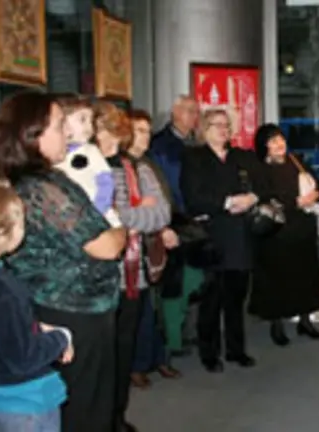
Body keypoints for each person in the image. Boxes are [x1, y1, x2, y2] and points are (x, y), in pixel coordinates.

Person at [0, 92, 126, 432]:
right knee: (86, 409)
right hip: (74, 312)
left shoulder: (30, 182)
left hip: (60, 309)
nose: (68, 133)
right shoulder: (44, 188)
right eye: (59, 125)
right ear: (34, 134)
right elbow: (106, 245)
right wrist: (121, 227)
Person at [94, 101, 170, 431]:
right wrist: (133, 216)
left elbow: (161, 215)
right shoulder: (82, 167)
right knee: (97, 359)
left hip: (132, 277)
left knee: (123, 354)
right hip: (94, 281)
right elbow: (91, 222)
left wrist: (119, 219)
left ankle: (116, 417)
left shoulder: (137, 169)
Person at [0, 184, 74, 431]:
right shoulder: (2, 289)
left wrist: (35, 326)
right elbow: (23, 357)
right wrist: (61, 338)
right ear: (7, 234)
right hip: (20, 404)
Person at [180, 109, 265, 372]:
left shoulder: (241, 157)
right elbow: (193, 196)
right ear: (205, 129)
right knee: (211, 299)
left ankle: (236, 350)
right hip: (212, 236)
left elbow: (263, 183)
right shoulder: (195, 158)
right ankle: (209, 353)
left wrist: (252, 198)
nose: (224, 130)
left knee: (236, 298)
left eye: (227, 125)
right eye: (217, 125)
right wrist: (227, 202)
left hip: (240, 236)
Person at [249, 124, 319, 345]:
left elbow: (317, 182)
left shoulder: (296, 161)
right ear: (264, 146)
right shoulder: (260, 169)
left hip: (302, 229)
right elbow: (266, 196)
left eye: (280, 139)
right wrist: (296, 202)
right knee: (277, 278)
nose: (279, 144)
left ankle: (305, 321)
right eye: (272, 141)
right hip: (277, 232)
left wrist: (315, 195)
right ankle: (277, 325)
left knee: (305, 277)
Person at [127, 108, 182, 387]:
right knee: (141, 309)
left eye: (147, 131)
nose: (145, 137)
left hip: (154, 242)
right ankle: (138, 364)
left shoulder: (149, 164)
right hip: (133, 248)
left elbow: (162, 204)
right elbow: (130, 211)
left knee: (156, 305)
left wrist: (162, 225)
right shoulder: (122, 167)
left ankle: (157, 358)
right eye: (138, 131)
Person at [149, 95, 203, 357]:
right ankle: (172, 338)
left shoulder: (192, 144)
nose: (196, 117)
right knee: (174, 282)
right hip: (172, 220)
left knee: (193, 279)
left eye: (197, 112)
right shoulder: (161, 146)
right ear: (175, 113)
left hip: (192, 221)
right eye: (191, 111)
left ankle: (185, 332)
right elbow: (166, 187)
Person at [53, 94, 121, 227]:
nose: (89, 127)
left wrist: (97, 210)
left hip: (97, 216)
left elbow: (106, 181)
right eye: (82, 120)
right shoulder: (54, 155)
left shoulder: (91, 152)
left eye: (91, 121)